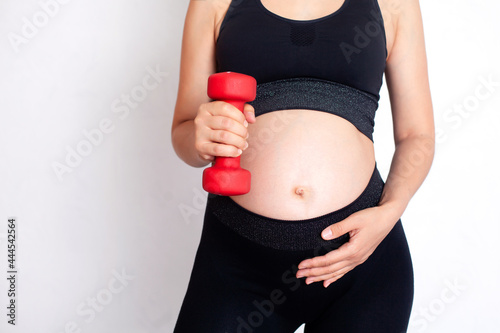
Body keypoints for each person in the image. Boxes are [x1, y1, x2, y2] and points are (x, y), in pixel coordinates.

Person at [171, 0, 434, 331]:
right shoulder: (213, 3)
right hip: (238, 261)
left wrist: (390, 211)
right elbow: (184, 129)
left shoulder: (395, 5)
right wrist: (200, 137)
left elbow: (417, 136)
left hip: (362, 262)